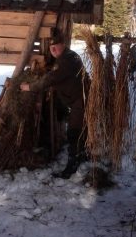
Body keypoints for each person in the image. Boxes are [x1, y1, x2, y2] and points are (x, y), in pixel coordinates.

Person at [20, 31, 89, 178]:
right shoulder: (68, 56)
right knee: (79, 131)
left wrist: (29, 87)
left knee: (73, 132)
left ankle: (71, 167)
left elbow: (50, 79)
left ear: (63, 45)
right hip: (77, 98)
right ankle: (81, 155)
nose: (53, 51)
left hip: (79, 100)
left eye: (56, 47)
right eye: (51, 48)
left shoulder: (67, 60)